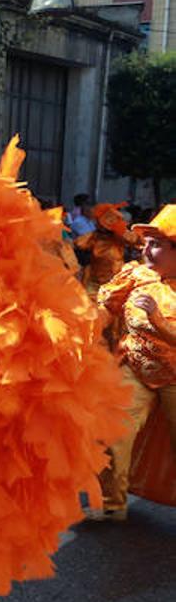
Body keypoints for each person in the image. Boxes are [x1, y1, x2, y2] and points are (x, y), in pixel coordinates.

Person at [90, 204, 176, 521]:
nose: (147, 250)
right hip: (135, 367)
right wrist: (83, 329)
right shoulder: (136, 275)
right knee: (112, 430)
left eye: (157, 244)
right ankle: (112, 504)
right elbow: (106, 308)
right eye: (147, 242)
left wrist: (157, 320)